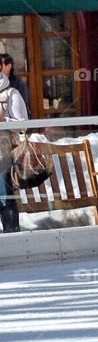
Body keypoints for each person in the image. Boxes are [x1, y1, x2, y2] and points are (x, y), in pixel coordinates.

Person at [0, 71, 27, 233]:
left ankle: (12, 234)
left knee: (5, 198)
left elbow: (23, 125)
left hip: (3, 156)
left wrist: (4, 121)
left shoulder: (11, 94)